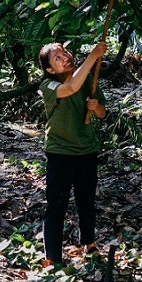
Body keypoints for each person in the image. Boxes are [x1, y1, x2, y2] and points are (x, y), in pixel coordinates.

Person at [37, 40, 108, 268]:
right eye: (57, 58)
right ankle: (52, 258)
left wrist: (95, 107)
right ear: (50, 69)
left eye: (65, 52)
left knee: (86, 200)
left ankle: (88, 243)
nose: (65, 57)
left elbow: (103, 113)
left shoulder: (87, 78)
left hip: (86, 149)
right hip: (59, 151)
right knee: (56, 204)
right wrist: (93, 55)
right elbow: (70, 88)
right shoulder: (48, 85)